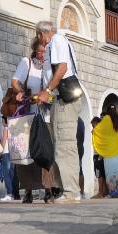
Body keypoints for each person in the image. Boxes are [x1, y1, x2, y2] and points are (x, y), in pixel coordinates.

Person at [35, 20, 84, 203]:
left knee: (65, 145)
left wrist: (46, 91)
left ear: (41, 34)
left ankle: (71, 192)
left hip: (64, 100)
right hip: (60, 100)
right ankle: (68, 190)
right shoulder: (60, 41)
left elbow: (62, 68)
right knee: (62, 144)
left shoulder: (56, 41)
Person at [11, 36, 58, 204]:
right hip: (27, 116)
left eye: (45, 51)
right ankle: (28, 191)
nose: (42, 54)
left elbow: (54, 91)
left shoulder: (51, 66)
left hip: (45, 116)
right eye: (39, 51)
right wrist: (22, 92)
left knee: (45, 152)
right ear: (34, 50)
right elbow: (15, 82)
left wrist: (48, 97)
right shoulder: (26, 63)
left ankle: (48, 190)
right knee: (26, 154)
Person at [91, 106, 118, 198]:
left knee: (111, 172)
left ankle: (112, 192)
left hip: (110, 151)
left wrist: (94, 132)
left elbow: (97, 130)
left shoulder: (106, 120)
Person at [89, 117, 108, 198]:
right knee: (100, 174)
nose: (93, 127)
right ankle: (103, 192)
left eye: (94, 125)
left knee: (100, 175)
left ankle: (101, 192)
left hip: (100, 155)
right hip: (97, 154)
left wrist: (101, 154)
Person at [0, 116, 15, 201]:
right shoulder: (13, 127)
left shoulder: (5, 128)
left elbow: (4, 141)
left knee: (6, 173)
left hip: (6, 152)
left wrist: (0, 152)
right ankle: (13, 193)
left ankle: (9, 193)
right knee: (12, 173)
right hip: (13, 152)